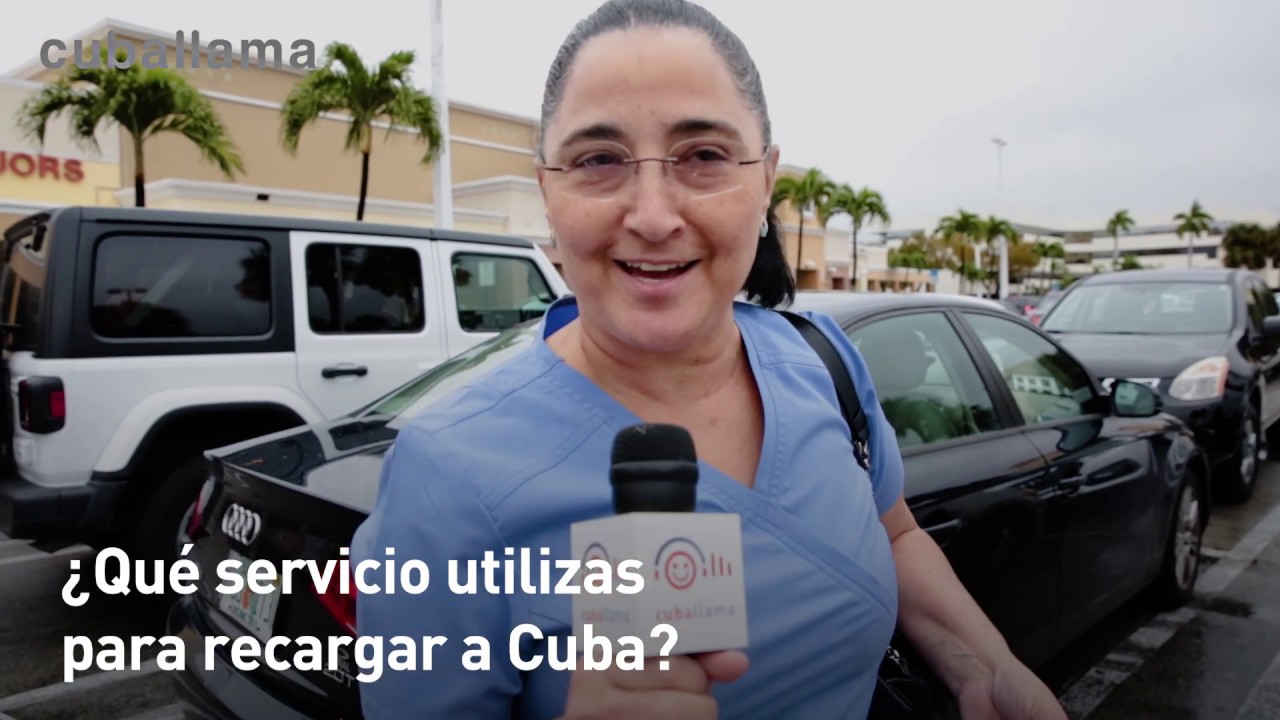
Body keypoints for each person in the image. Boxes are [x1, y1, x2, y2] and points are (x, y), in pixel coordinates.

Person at [351, 1, 1068, 717]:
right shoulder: (444, 475)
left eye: (703, 156)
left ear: (766, 180)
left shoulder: (822, 363)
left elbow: (896, 533)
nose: (653, 216)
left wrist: (982, 668)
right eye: (599, 160)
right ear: (547, 190)